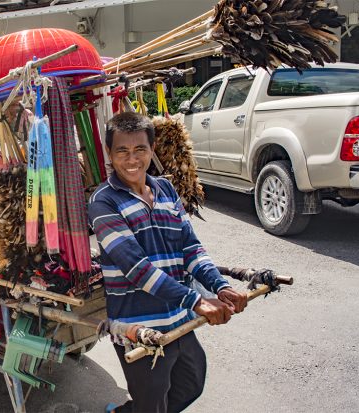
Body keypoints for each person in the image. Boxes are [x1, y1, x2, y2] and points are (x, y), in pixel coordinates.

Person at [88, 112, 248, 413]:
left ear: (151, 150)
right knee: (153, 403)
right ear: (109, 154)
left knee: (191, 384)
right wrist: (197, 301)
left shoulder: (165, 189)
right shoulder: (103, 202)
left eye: (140, 150)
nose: (131, 159)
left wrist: (220, 285)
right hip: (140, 329)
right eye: (122, 151)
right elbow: (137, 269)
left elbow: (191, 247)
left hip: (179, 320)